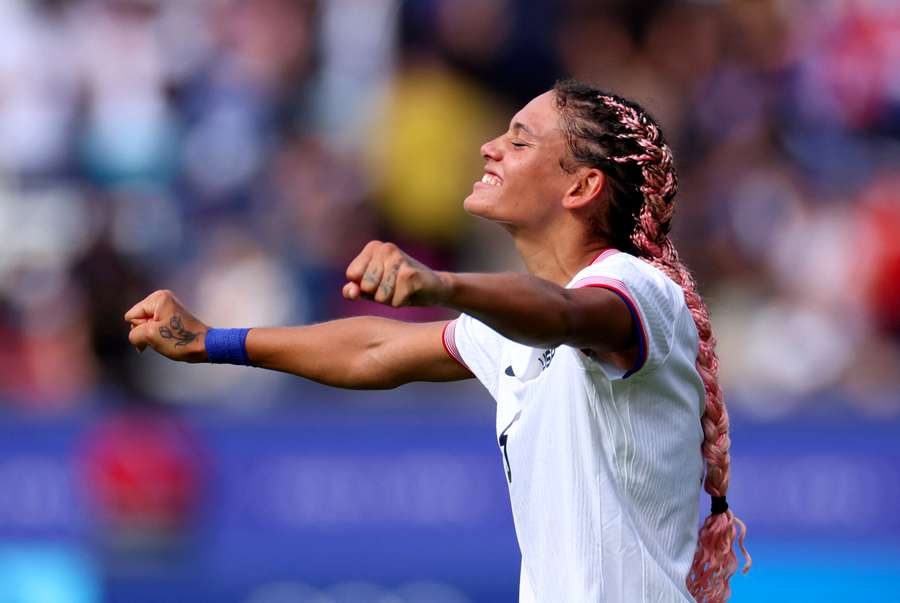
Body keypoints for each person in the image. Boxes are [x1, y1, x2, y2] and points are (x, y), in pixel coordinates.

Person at [125, 79, 750, 602]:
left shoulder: (639, 290)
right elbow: (373, 351)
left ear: (581, 188)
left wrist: (440, 283)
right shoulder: (516, 329)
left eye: (519, 139)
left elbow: (562, 313)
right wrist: (214, 342)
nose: (489, 148)